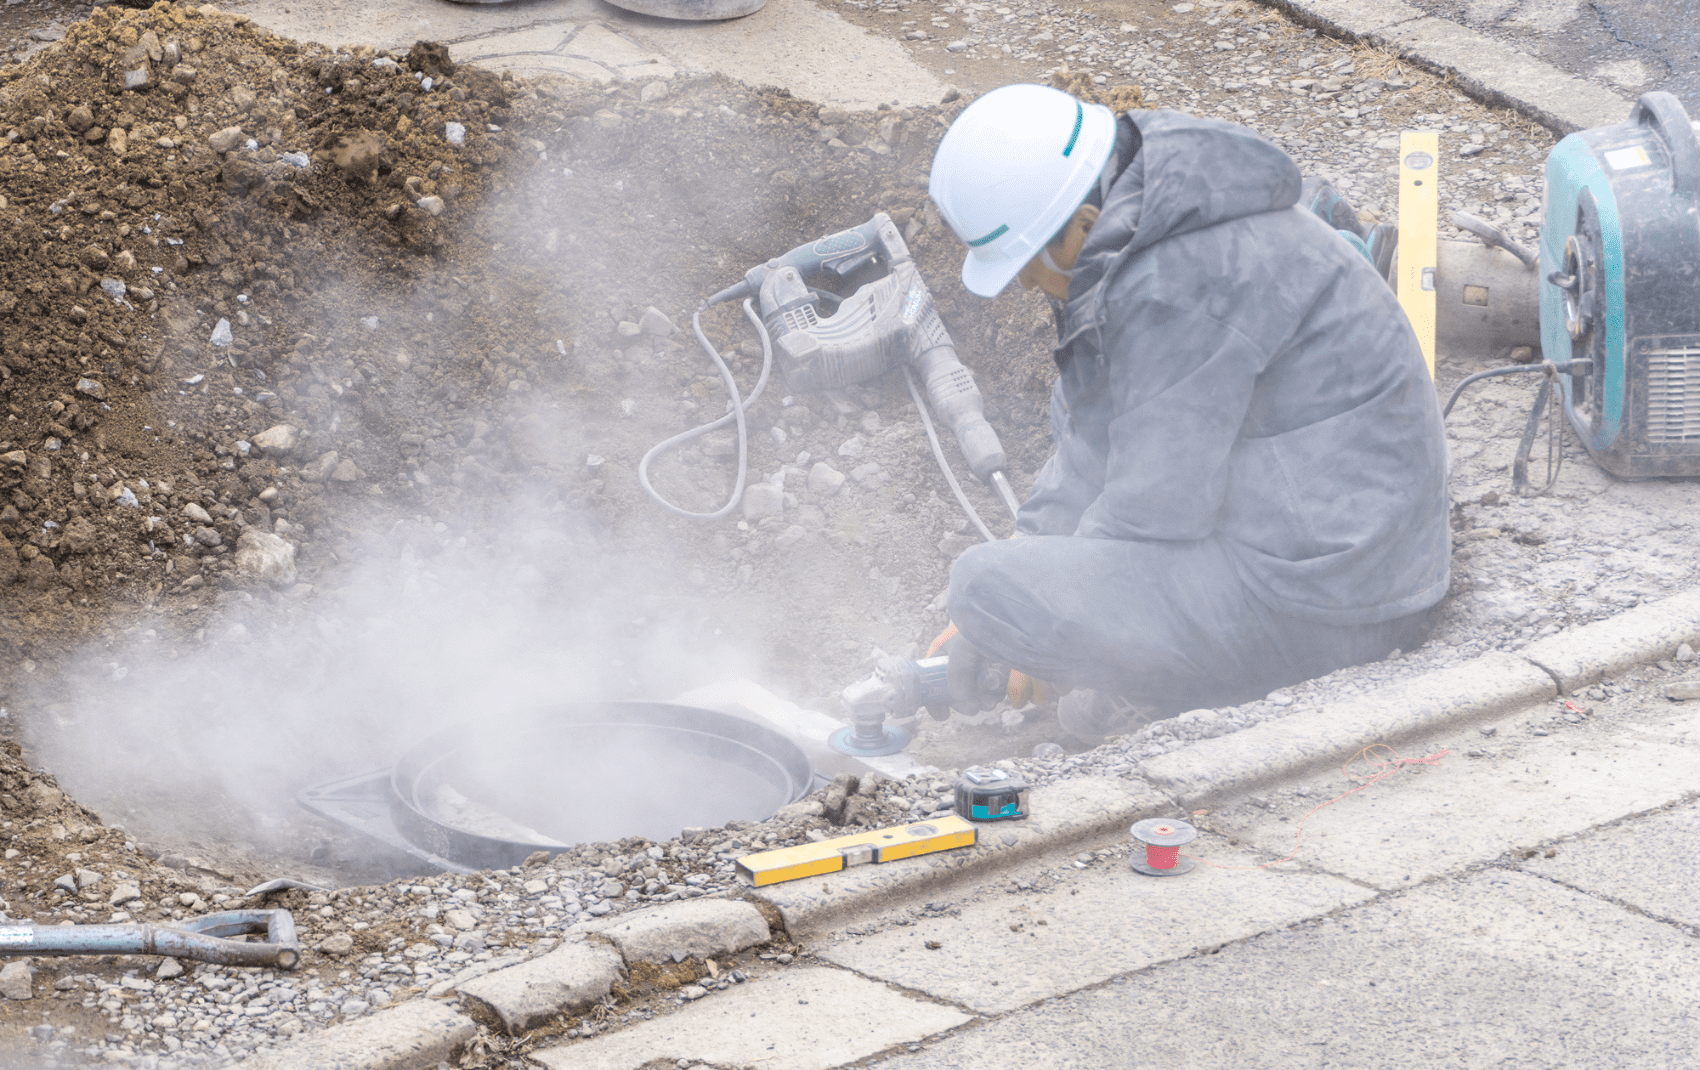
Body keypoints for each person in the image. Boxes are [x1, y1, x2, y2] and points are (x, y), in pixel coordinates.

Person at [925, 84, 1450, 744]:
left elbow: (1155, 509)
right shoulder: (1155, 236)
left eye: (1028, 267)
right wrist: (1031, 558)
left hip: (1337, 606)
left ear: (1083, 228)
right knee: (1000, 590)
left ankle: (1176, 690)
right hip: (1340, 560)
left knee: (981, 585)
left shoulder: (1175, 288)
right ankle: (1148, 685)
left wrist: (1032, 616)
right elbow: (1096, 434)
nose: (1028, 286)